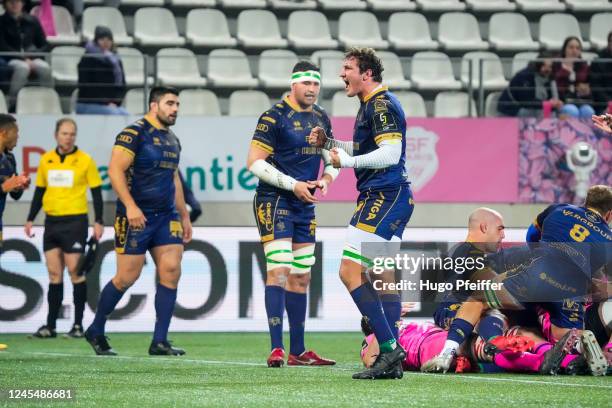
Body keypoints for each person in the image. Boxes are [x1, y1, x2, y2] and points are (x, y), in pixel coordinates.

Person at [423, 185, 612, 376]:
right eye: (500, 229)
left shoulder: (559, 209)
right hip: (573, 288)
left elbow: (532, 237)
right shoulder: (608, 239)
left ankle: (447, 353)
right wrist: (593, 284)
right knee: (561, 334)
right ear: (609, 215)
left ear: (586, 202)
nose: (503, 235)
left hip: (540, 273)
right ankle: (580, 346)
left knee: (480, 301)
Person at [308, 47, 414, 380]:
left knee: (349, 271)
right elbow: (371, 149)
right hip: (391, 196)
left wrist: (348, 162)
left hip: (383, 196)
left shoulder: (381, 104)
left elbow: (390, 153)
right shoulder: (371, 105)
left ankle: (388, 349)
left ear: (366, 73)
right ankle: (391, 358)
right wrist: (329, 144)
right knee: (383, 275)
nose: (342, 74)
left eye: (348, 68)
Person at [84, 87, 192, 356]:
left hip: (167, 216)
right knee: (126, 277)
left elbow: (174, 178)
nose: (175, 108)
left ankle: (159, 341)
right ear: (154, 105)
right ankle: (96, 329)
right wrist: (130, 206)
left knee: (171, 270)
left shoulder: (172, 140)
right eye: (170, 103)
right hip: (135, 216)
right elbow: (115, 170)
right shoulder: (133, 133)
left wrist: (185, 213)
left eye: (177, 103)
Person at [246, 61, 337, 367]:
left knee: (301, 277)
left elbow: (333, 159)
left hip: (304, 203)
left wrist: (325, 180)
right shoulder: (273, 117)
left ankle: (298, 351)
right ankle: (276, 349)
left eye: (316, 84)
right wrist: (293, 184)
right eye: (306, 84)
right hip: (274, 200)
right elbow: (255, 163)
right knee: (280, 269)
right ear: (293, 84)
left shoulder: (321, 117)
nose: (312, 90)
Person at [25, 118, 104, 339]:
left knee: (75, 273)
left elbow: (96, 193)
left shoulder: (85, 161)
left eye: (72, 134)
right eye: (64, 133)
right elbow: (40, 192)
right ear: (56, 135)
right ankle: (50, 326)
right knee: (54, 274)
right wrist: (30, 218)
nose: (68, 138)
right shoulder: (46, 160)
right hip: (52, 222)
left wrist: (99, 220)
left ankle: (78, 325)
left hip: (75, 222)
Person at [0, 0, 52, 104]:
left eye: (17, 1)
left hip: (32, 57)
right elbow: (2, 46)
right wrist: (23, 58)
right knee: (22, 68)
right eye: (11, 2)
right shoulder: (1, 22)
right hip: (10, 58)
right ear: (5, 4)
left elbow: (45, 45)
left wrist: (32, 56)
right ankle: (12, 102)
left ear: (22, 3)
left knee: (45, 68)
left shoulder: (33, 21)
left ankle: (48, 100)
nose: (14, 4)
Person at [76, 26, 128, 115]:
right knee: (113, 114)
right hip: (87, 104)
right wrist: (106, 103)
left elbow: (122, 87)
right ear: (96, 41)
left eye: (108, 39)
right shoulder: (88, 58)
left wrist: (115, 103)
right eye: (102, 39)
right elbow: (86, 87)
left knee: (127, 115)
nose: (106, 42)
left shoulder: (116, 60)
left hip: (111, 105)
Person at [497, 52, 563, 117]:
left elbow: (552, 99)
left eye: (550, 67)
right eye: (543, 65)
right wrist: (547, 104)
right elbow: (526, 101)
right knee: (541, 113)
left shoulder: (550, 77)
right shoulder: (524, 76)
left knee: (560, 112)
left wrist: (556, 103)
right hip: (513, 109)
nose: (547, 69)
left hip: (536, 107)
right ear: (537, 65)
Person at [0, 114, 30, 245]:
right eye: (16, 132)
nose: (18, 136)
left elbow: (15, 195)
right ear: (4, 133)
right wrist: (2, 188)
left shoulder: (10, 159)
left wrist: (19, 185)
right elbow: (4, 188)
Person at [553, 36, 596, 119]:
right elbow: (555, 83)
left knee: (588, 111)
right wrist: (566, 70)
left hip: (580, 101)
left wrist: (586, 89)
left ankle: (586, 132)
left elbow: (589, 84)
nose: (574, 50)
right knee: (572, 111)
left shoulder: (584, 66)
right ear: (564, 49)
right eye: (571, 47)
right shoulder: (557, 64)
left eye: (577, 48)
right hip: (562, 101)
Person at [590, 31, 612, 114]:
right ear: (608, 44)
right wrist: (609, 103)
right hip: (603, 106)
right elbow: (596, 88)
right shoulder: (598, 62)